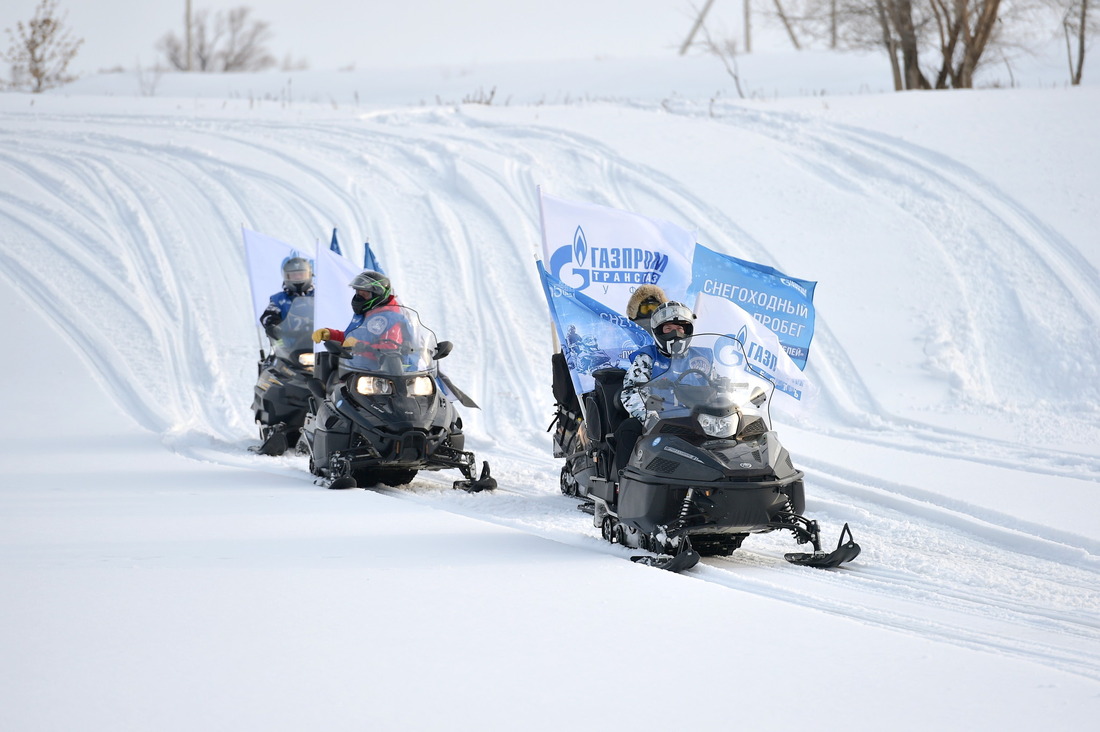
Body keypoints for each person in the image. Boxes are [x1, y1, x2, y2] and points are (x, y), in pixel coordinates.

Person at [613, 301, 697, 474]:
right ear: (658, 331)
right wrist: (648, 417)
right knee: (628, 429)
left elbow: (720, 387)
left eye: (681, 328)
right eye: (669, 329)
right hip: (657, 417)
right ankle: (625, 482)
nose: (676, 333)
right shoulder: (647, 357)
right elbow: (630, 392)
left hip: (695, 418)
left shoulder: (702, 358)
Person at [312, 269, 406, 350]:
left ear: (378, 294)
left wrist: (359, 345)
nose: (359, 297)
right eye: (358, 292)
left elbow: (392, 348)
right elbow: (351, 339)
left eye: (364, 294)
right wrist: (331, 335)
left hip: (381, 369)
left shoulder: (391, 317)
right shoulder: (366, 313)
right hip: (357, 366)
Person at [259, 256, 314, 337]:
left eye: (301, 274)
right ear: (286, 277)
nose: (298, 278)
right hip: (289, 346)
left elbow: (331, 313)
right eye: (294, 275)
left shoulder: (319, 296)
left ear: (309, 275)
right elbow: (268, 315)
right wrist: (273, 326)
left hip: (318, 343)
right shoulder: (278, 300)